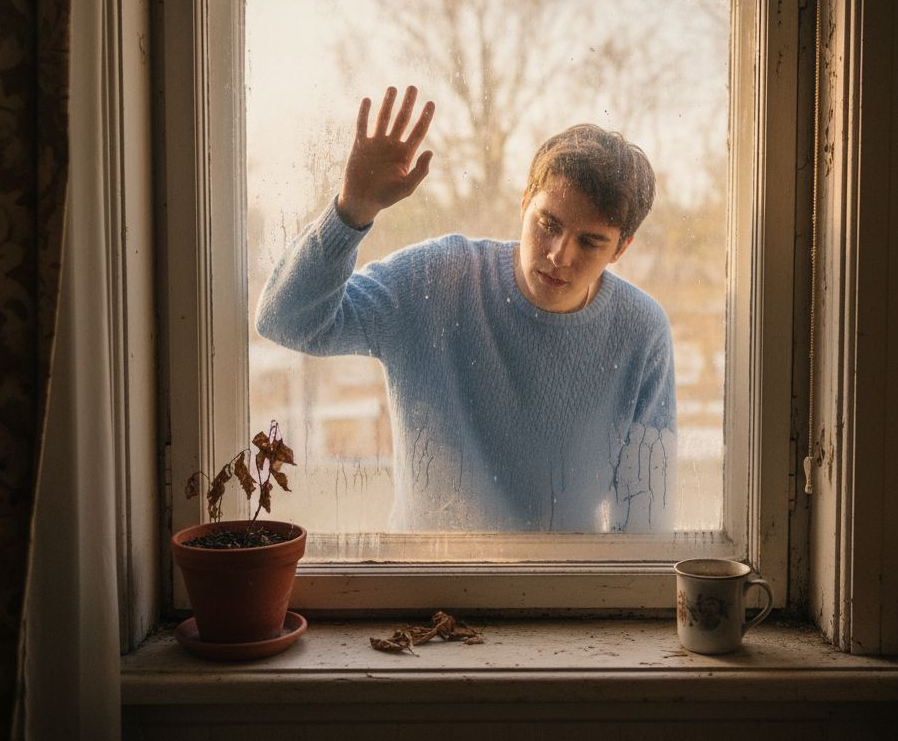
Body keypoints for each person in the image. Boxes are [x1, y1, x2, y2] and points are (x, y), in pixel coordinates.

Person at [256, 86, 676, 532]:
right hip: (428, 583)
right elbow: (287, 321)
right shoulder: (436, 279)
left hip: (563, 589)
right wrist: (352, 210)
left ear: (621, 249)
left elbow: (646, 517)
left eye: (590, 242)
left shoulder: (640, 329)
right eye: (547, 224)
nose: (558, 255)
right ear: (524, 203)